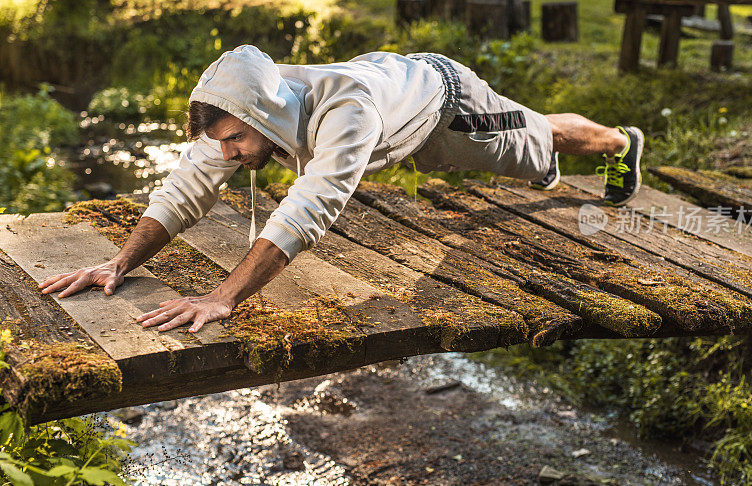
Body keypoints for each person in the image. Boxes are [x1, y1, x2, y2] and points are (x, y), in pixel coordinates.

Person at [38, 45, 644, 333]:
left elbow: (307, 209)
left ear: (263, 115)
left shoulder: (344, 112)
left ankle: (621, 144)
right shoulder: (242, 113)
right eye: (220, 143)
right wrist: (119, 262)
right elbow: (186, 187)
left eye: (233, 143)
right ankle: (583, 148)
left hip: (445, 108)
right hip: (392, 99)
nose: (227, 155)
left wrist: (222, 297)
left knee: (537, 141)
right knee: (537, 138)